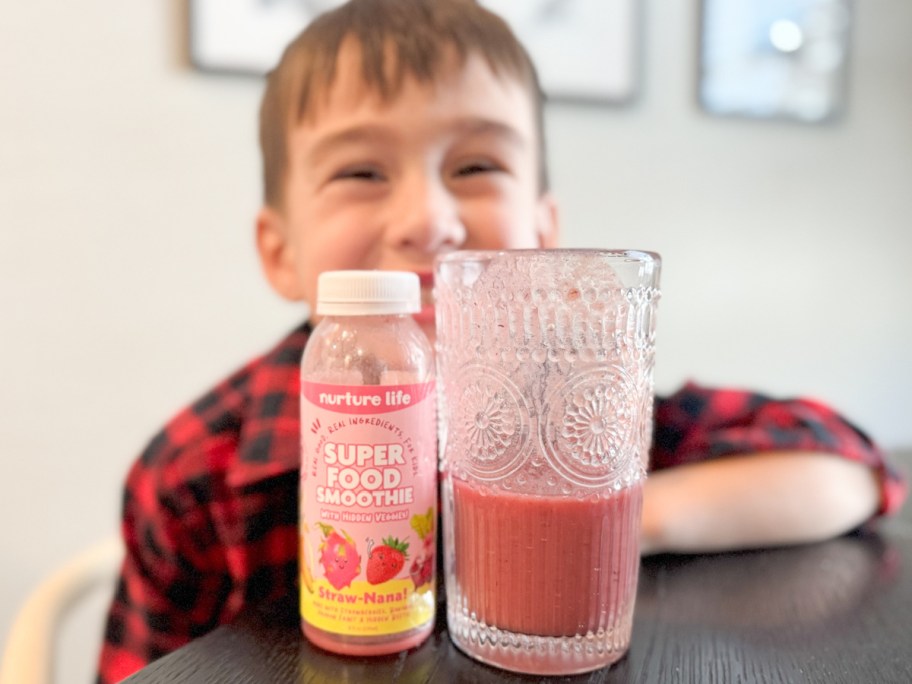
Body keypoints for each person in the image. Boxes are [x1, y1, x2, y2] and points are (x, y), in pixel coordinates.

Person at [96, 0, 906, 680]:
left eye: (477, 165)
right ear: (280, 251)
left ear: (544, 235)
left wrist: (619, 523)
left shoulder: (585, 416)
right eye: (360, 173)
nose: (429, 222)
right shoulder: (198, 477)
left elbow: (846, 467)